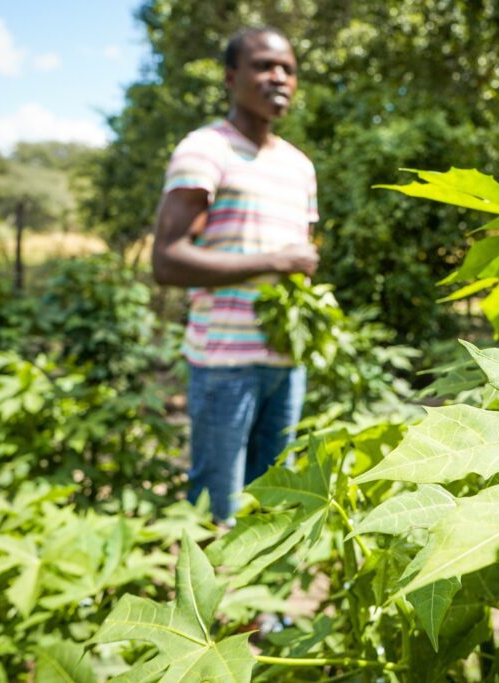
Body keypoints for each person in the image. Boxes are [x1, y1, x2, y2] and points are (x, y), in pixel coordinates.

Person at [151, 26, 319, 521]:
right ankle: (210, 600)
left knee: (272, 505)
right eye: (264, 66)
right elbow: (167, 260)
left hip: (288, 361)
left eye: (288, 68)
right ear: (230, 77)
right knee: (215, 507)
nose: (279, 77)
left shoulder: (299, 166)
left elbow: (297, 253)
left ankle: (262, 599)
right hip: (224, 362)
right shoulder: (205, 151)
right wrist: (275, 263)